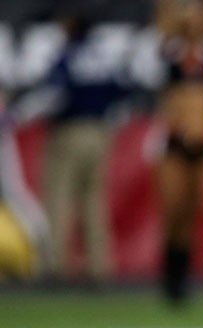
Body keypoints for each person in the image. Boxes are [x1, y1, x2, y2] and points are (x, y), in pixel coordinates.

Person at [40, 13, 128, 287]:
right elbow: (122, 94)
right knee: (93, 203)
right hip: (99, 133)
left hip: (71, 130)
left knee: (58, 199)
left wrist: (22, 115)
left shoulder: (68, 56)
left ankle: (55, 266)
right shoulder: (103, 58)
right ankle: (99, 268)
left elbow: (53, 95)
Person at [154, 0, 203, 304]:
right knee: (172, 212)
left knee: (191, 214)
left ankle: (182, 280)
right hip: (174, 142)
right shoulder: (169, 53)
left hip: (201, 142)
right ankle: (169, 278)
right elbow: (163, 18)